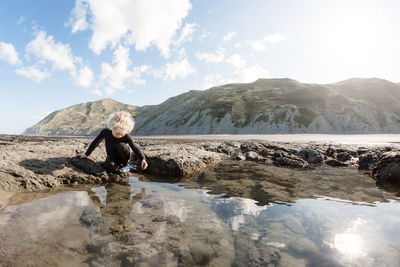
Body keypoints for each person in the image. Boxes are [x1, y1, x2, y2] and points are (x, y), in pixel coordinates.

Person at [76, 111, 148, 173]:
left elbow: (135, 148)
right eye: (117, 133)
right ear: (112, 127)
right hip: (111, 157)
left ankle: (126, 165)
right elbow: (95, 142)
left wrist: (143, 159)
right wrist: (86, 154)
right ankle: (117, 167)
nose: (119, 135)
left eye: (122, 133)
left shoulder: (127, 136)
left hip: (123, 157)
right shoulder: (105, 132)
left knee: (122, 145)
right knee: (110, 167)